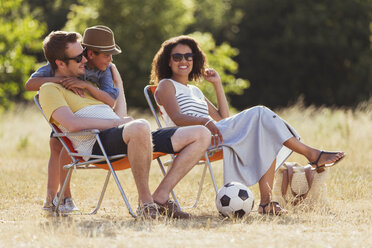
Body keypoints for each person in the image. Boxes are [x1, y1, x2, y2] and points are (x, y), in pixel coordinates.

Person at [149, 35, 345, 215]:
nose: (183, 61)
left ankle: (267, 202)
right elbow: (177, 117)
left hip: (215, 134)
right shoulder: (166, 85)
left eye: (188, 56)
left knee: (265, 132)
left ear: (194, 59)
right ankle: (311, 154)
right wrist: (205, 121)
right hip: (192, 138)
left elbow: (222, 118)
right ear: (168, 61)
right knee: (260, 113)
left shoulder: (195, 91)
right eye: (177, 57)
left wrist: (217, 85)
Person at [38, 31, 211, 219]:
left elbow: (119, 114)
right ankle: (146, 204)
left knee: (201, 133)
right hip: (95, 145)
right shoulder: (49, 89)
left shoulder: (84, 86)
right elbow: (71, 124)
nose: (85, 60)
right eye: (79, 57)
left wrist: (118, 82)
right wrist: (118, 123)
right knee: (140, 126)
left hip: (123, 136)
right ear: (60, 63)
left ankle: (160, 197)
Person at [25, 26, 127, 213]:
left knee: (63, 145)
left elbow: (111, 100)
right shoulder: (69, 61)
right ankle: (54, 197)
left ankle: (62, 197)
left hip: (89, 110)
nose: (110, 60)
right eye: (106, 55)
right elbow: (30, 84)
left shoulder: (105, 70)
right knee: (57, 145)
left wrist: (85, 85)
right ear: (90, 52)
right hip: (70, 110)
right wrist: (62, 81)